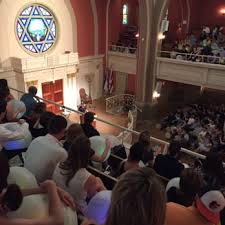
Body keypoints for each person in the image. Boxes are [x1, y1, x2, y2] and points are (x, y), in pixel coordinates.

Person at [53, 135, 106, 216]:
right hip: (78, 211)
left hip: (60, 201)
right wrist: (100, 187)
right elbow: (92, 197)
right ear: (87, 155)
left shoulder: (58, 164)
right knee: (100, 186)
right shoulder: (88, 177)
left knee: (97, 180)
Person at [25, 115, 68, 182]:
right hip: (40, 186)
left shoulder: (37, 139)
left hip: (24, 176)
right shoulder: (61, 152)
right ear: (64, 130)